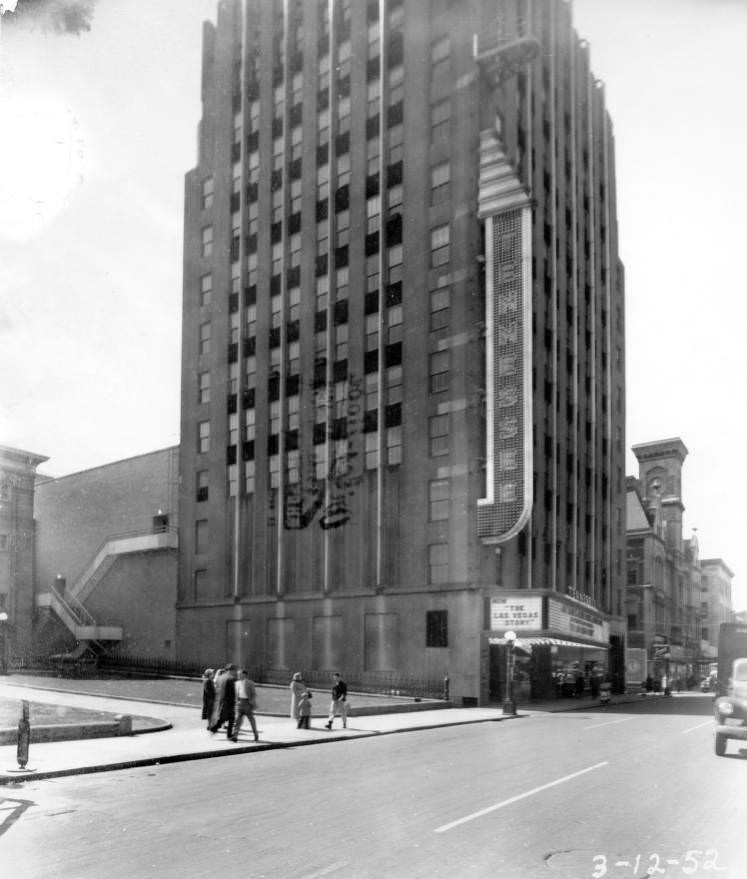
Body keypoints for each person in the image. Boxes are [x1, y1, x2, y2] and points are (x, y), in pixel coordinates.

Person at [209, 664, 237, 739]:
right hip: (228, 701)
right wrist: (234, 701)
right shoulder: (231, 679)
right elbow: (233, 692)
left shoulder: (220, 678)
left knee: (223, 717)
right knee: (231, 718)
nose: (235, 672)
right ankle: (229, 735)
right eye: (234, 670)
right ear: (231, 670)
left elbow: (217, 689)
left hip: (220, 699)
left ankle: (214, 728)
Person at [232, 669, 259, 742]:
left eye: (240, 674)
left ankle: (255, 734)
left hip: (247, 703)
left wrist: (251, 702)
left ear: (245, 675)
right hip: (240, 702)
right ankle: (235, 736)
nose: (238, 675)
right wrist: (236, 702)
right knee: (237, 720)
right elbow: (236, 694)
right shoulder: (236, 683)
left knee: (251, 720)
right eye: (238, 674)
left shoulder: (250, 683)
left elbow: (254, 694)